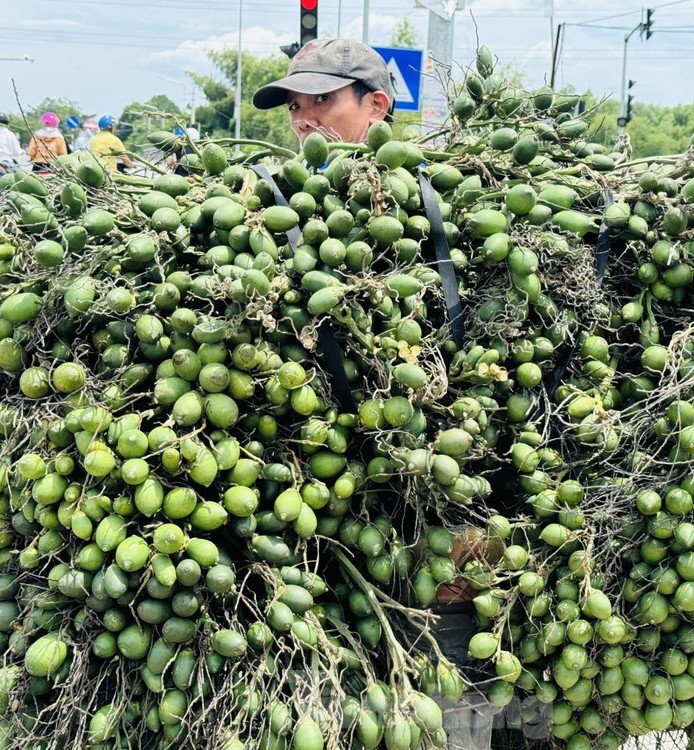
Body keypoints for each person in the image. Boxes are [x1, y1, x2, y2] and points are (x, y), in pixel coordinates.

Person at [252, 38, 393, 144]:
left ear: (376, 106)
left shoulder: (412, 181)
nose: (302, 122)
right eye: (294, 106)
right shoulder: (280, 181)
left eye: (322, 98)